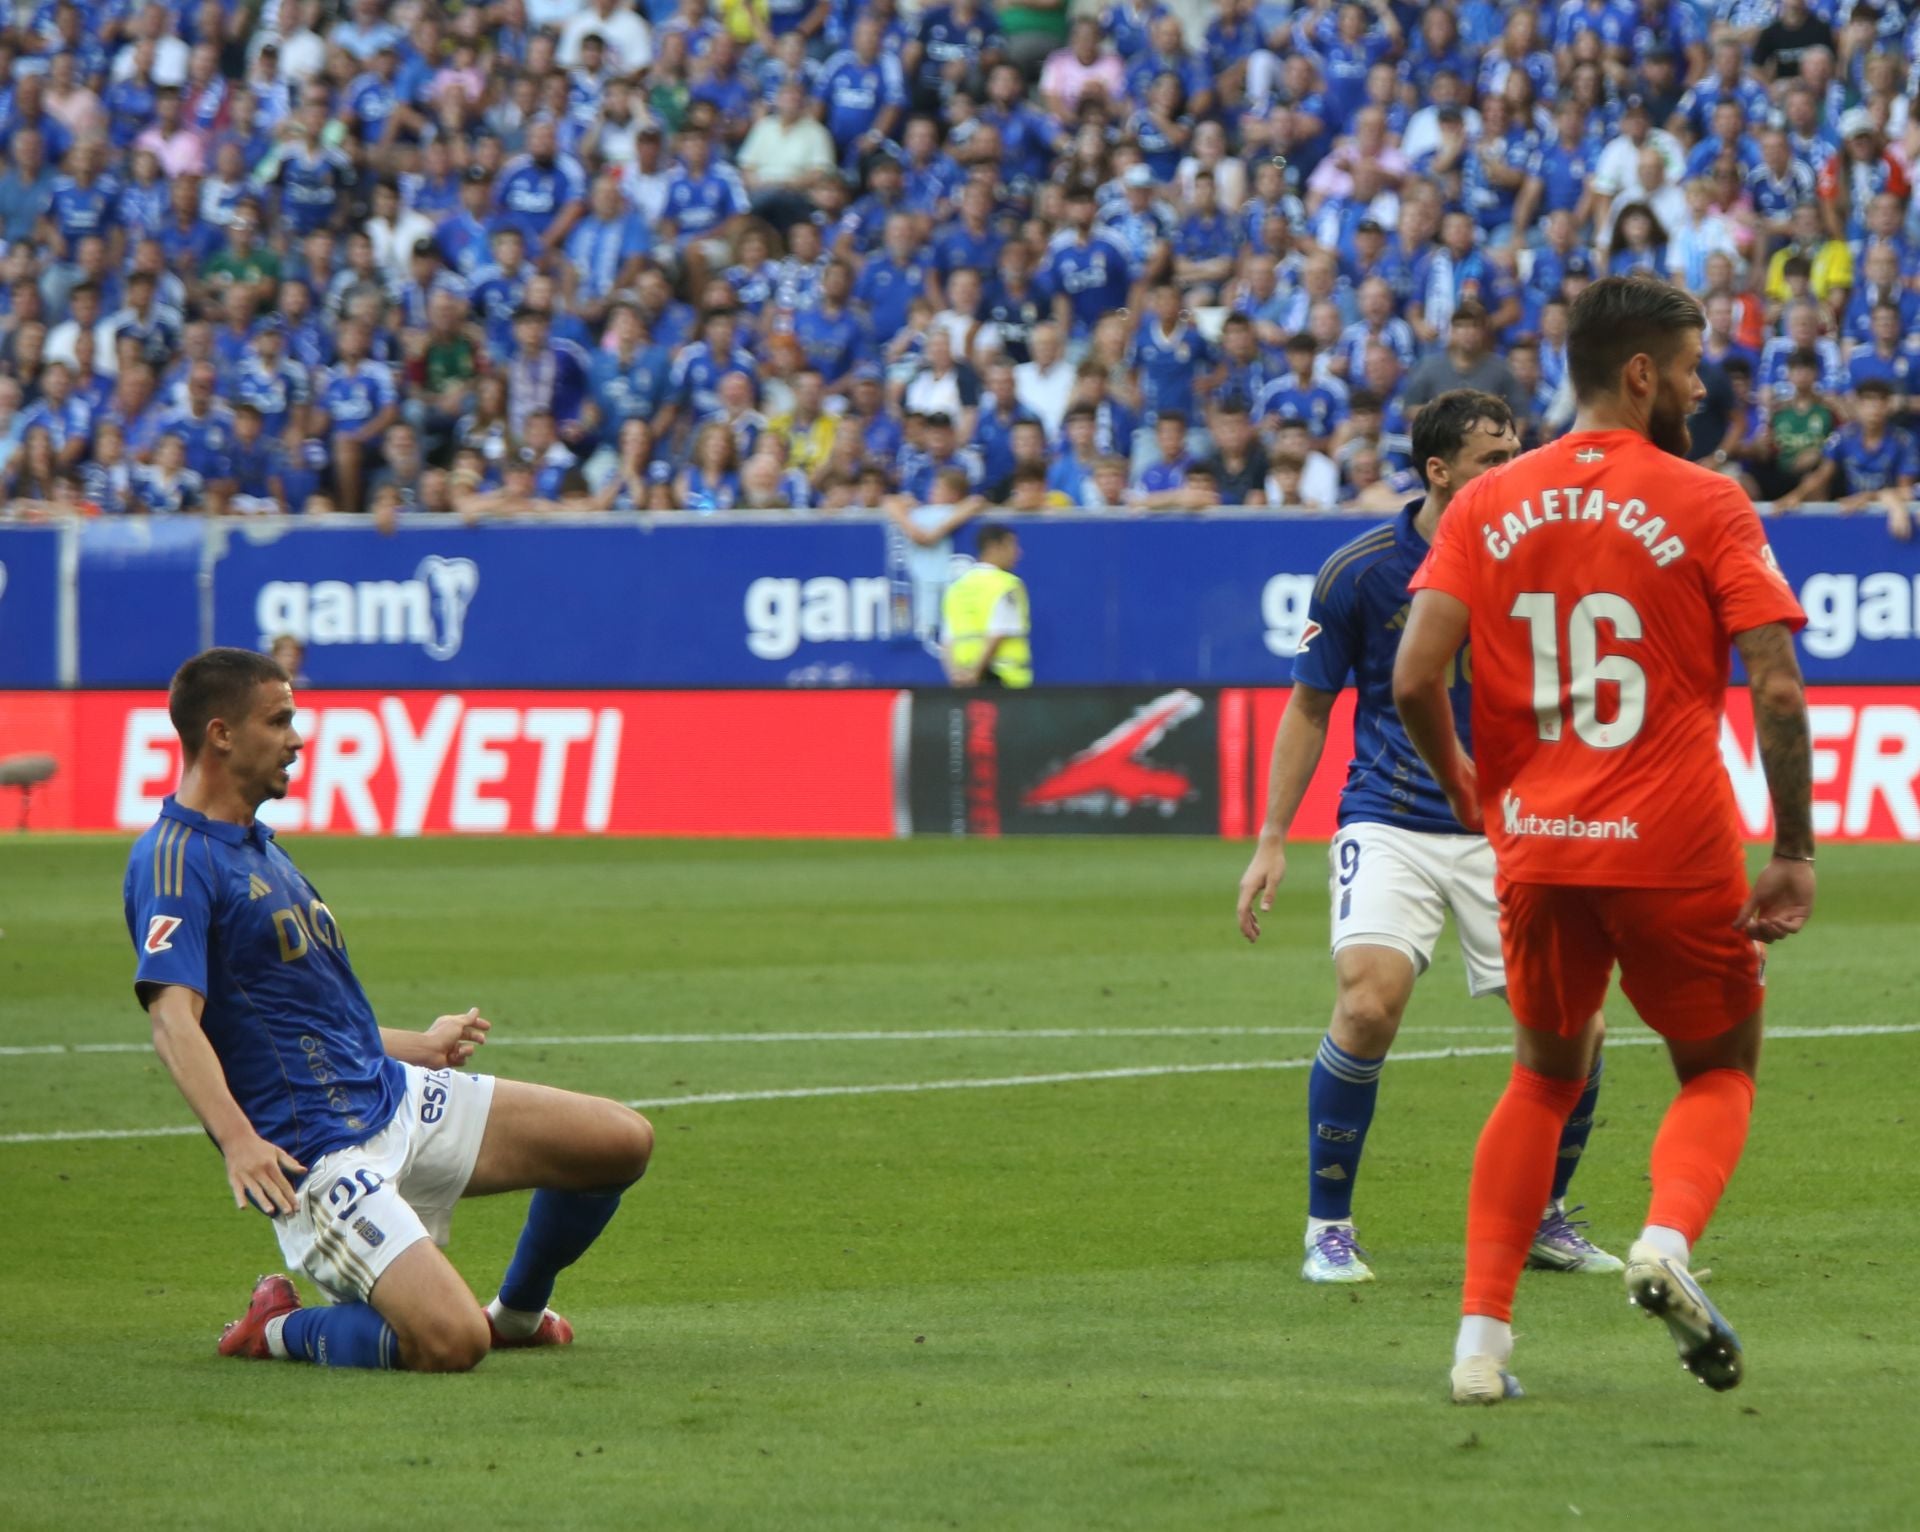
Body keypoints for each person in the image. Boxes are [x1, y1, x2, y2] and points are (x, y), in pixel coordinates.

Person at [1392, 277, 1814, 1403]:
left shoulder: (1484, 503)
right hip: (1672, 847)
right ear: (1640, 373)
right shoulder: (1708, 500)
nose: (1700, 387)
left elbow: (1415, 676)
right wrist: (1796, 849)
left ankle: (1479, 1348)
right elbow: (1777, 689)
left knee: (1541, 1080)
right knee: (1717, 1068)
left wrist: (1470, 787)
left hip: (1538, 844)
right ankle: (1664, 1242)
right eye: (1689, 367)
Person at [125, 648, 654, 1371]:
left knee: (619, 1142)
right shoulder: (175, 859)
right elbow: (172, 1020)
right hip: (317, 1154)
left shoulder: (260, 851)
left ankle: (517, 1316)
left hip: (391, 1094)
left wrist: (419, 1046)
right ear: (220, 733)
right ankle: (275, 1327)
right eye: (278, 721)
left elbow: (303, 1022)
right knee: (450, 1342)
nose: (296, 739)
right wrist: (238, 1139)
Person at [1237, 390, 1619, 1285]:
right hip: (1392, 815)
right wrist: (1271, 837)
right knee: (1368, 1005)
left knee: (1578, 1026)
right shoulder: (1362, 571)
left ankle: (1544, 1215)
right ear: (1439, 470)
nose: (1514, 471)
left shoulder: (1547, 557)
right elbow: (1309, 706)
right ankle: (1328, 1227)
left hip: (1516, 826)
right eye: (1494, 459)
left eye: (1518, 454)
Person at [940, 522, 1031, 687]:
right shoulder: (1007, 584)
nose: (1018, 552)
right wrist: (975, 673)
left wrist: (955, 676)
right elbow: (997, 633)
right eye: (1011, 545)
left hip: (964, 683)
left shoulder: (956, 588)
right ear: (993, 547)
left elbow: (947, 641)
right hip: (1004, 681)